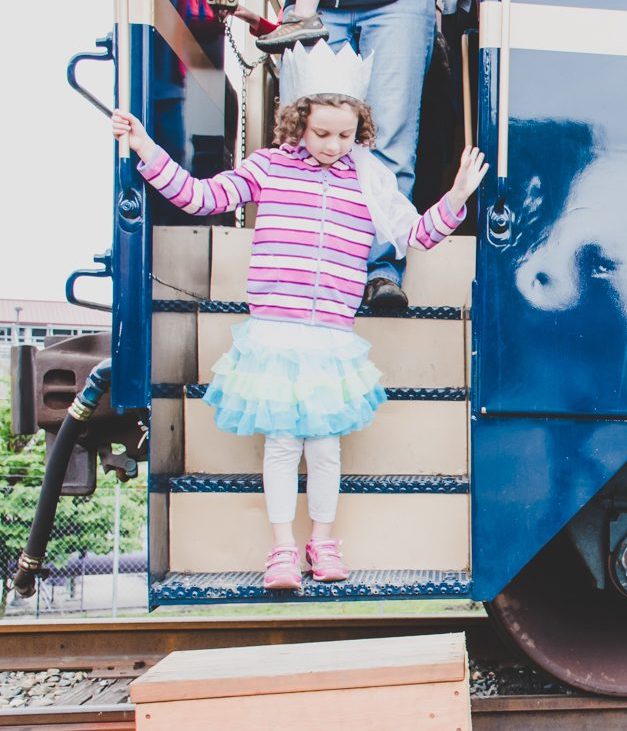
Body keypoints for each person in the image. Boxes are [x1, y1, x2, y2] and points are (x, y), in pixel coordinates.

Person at [111, 41, 487, 591]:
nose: (334, 145)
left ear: (359, 128)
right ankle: (283, 548)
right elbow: (198, 197)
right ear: (297, 124)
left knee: (326, 445)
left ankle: (324, 541)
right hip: (275, 332)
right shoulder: (269, 167)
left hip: (330, 335)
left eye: (345, 134)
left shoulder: (370, 180)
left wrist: (455, 196)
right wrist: (145, 145)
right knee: (284, 444)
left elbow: (414, 235)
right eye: (321, 133)